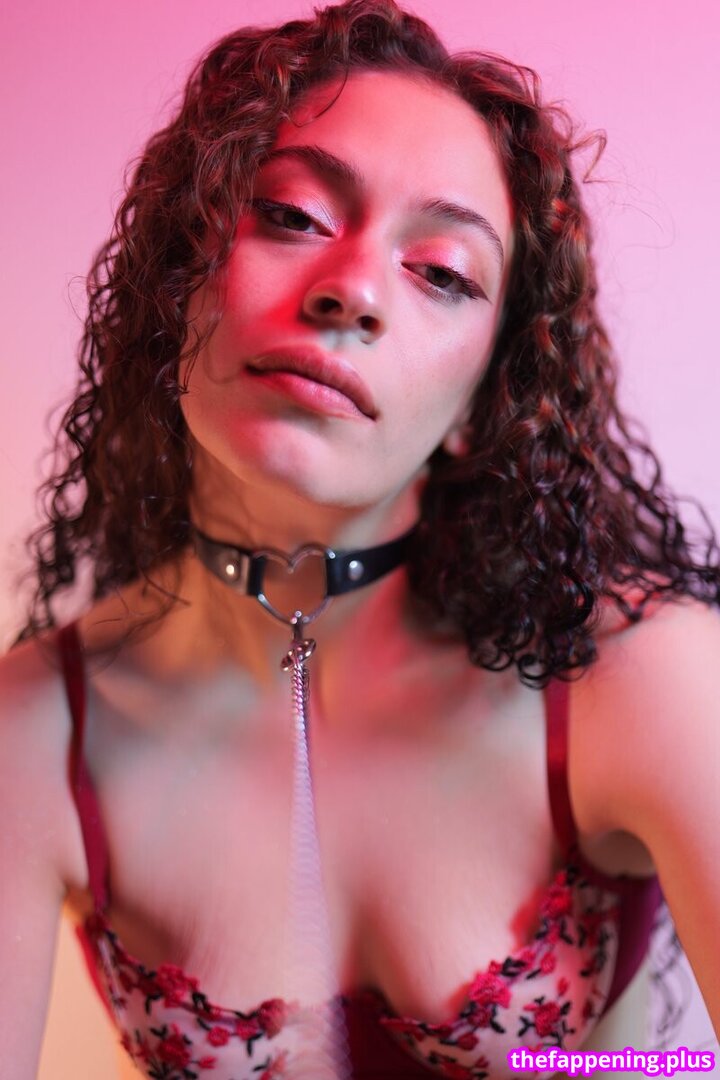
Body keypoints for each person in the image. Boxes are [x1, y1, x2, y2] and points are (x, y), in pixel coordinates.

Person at [2, 0, 719, 1077]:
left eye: (443, 273)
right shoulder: (30, 735)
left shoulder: (643, 675)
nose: (352, 291)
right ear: (176, 278)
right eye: (291, 214)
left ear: (487, 399)